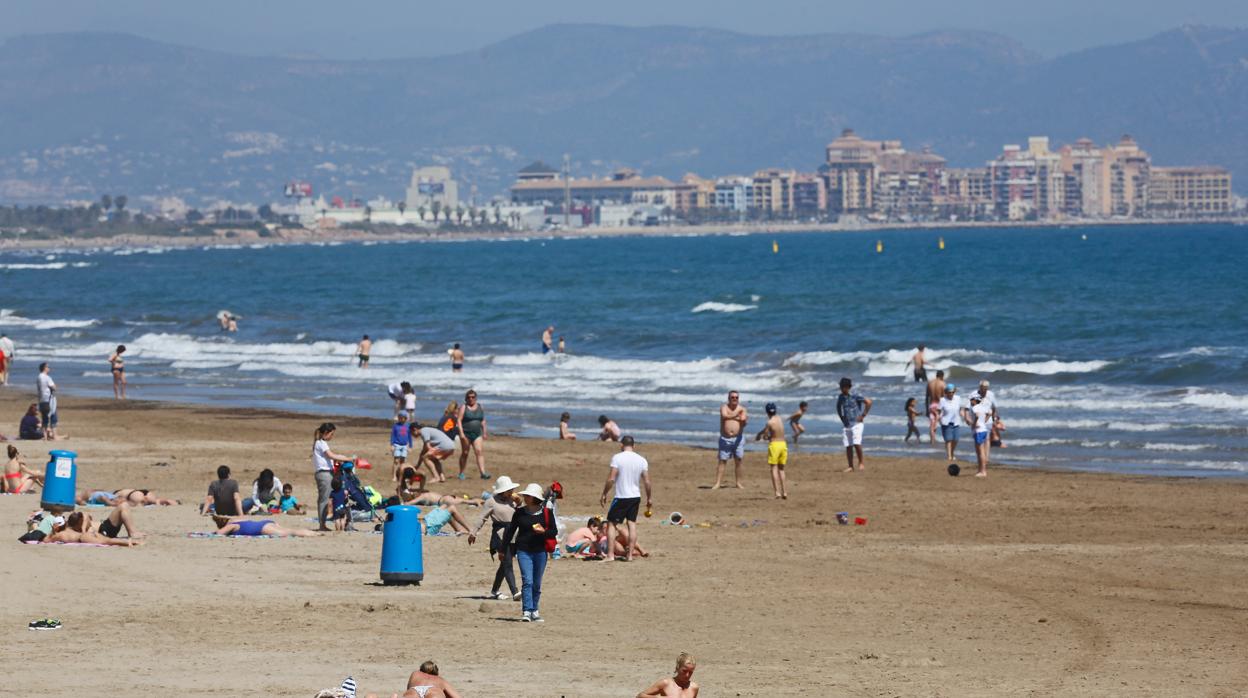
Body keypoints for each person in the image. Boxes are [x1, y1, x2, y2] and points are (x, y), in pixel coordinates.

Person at [500, 483, 557, 621]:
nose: (525, 497)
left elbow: (553, 532)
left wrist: (543, 532)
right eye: (525, 495)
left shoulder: (546, 513)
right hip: (523, 551)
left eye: (528, 496)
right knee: (528, 581)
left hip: (540, 552)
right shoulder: (519, 512)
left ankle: (535, 610)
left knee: (537, 583)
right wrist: (502, 549)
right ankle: (527, 611)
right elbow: (510, 532)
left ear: (535, 498)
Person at [599, 435, 652, 562]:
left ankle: (610, 555)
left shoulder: (617, 458)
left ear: (622, 445)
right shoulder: (642, 460)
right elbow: (647, 482)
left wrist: (604, 493)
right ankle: (629, 556)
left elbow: (611, 479)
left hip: (622, 496)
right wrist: (649, 498)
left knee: (611, 523)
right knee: (631, 524)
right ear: (633, 446)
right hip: (635, 496)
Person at [468, 475, 520, 600]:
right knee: (507, 563)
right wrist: (473, 532)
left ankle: (495, 590)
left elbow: (517, 516)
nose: (512, 491)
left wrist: (519, 504)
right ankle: (515, 592)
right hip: (500, 535)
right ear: (503, 491)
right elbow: (482, 518)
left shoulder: (513, 501)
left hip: (513, 534)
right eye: (509, 489)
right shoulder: (491, 501)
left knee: (504, 565)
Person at [313, 422, 356, 531]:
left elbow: (330, 457)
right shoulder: (320, 443)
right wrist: (348, 459)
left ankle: (330, 521)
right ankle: (322, 525)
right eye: (331, 434)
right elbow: (330, 455)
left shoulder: (321, 443)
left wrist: (343, 458)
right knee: (324, 499)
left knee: (331, 497)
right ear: (326, 433)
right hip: (324, 474)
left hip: (327, 473)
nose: (332, 437)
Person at [836, 378, 872, 473]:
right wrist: (842, 418)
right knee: (848, 445)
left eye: (843, 387)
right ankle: (850, 466)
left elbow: (869, 402)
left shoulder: (855, 395)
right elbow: (838, 407)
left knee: (856, 443)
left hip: (857, 423)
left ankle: (861, 463)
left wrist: (863, 415)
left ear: (848, 387)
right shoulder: (841, 397)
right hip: (847, 424)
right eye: (841, 387)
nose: (841, 389)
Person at [46, 511, 143, 546]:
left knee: (106, 541)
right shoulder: (68, 528)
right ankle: (129, 541)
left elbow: (46, 540)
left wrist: (52, 532)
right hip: (87, 535)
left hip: (83, 537)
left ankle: (128, 542)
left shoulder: (61, 534)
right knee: (107, 540)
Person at [714, 391, 747, 489]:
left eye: (736, 397)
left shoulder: (742, 409)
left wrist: (742, 420)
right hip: (725, 438)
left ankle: (738, 483)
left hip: (738, 439)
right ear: (729, 398)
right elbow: (725, 416)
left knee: (738, 461)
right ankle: (718, 483)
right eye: (732, 397)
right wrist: (736, 415)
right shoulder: (724, 407)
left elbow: (743, 420)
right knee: (722, 461)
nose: (734, 399)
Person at [455, 389, 490, 480]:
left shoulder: (480, 407)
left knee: (479, 451)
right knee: (465, 453)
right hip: (466, 434)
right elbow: (459, 420)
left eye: (473, 397)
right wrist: (461, 433)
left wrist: (485, 432)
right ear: (466, 398)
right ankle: (461, 473)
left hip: (477, 433)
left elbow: (482, 420)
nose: (471, 399)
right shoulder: (464, 407)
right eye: (469, 397)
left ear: (476, 398)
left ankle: (483, 473)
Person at [755, 403, 787, 499]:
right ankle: (784, 492)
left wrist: (762, 436)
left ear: (766, 412)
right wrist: (760, 433)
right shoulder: (779, 418)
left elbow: (765, 436)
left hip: (775, 445)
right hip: (783, 444)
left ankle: (777, 492)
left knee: (774, 468)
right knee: (781, 469)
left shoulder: (769, 422)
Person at [938, 384, 969, 465]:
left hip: (956, 421)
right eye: (949, 392)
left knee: (956, 439)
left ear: (954, 392)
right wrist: (938, 419)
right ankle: (949, 456)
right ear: (946, 392)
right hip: (946, 422)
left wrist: (965, 418)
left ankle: (952, 453)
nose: (951, 394)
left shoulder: (958, 398)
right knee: (948, 440)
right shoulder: (942, 400)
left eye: (952, 392)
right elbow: (939, 412)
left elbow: (961, 410)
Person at [215, 517, 318, 537]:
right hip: (266, 522)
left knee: (290, 532)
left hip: (262, 528)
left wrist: (216, 531)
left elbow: (220, 533)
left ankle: (313, 535)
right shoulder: (237, 520)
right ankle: (314, 533)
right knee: (289, 530)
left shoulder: (231, 525)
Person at [975, 380, 1000, 460]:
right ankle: (981, 456)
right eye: (983, 388)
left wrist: (995, 419)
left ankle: (986, 457)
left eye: (986, 388)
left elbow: (994, 407)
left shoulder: (991, 394)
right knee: (979, 439)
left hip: (988, 420)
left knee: (987, 438)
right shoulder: (975, 395)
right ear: (980, 387)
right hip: (978, 421)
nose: (985, 390)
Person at [969, 395, 993, 477]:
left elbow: (976, 415)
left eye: (971, 399)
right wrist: (984, 421)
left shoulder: (975, 408)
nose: (970, 401)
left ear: (975, 400)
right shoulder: (983, 407)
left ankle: (983, 471)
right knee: (980, 452)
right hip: (984, 430)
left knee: (980, 452)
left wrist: (974, 424)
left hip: (978, 431)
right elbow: (990, 412)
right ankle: (980, 470)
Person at [36, 362, 58, 441]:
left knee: (44, 419)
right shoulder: (47, 377)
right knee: (53, 417)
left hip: (42, 400)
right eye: (48, 367)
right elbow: (54, 387)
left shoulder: (39, 377)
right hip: (49, 400)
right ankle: (54, 436)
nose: (49, 368)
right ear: (44, 368)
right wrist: (54, 387)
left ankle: (45, 436)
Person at [925, 370, 946, 445]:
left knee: (932, 425)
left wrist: (927, 409)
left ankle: (932, 442)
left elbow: (927, 397)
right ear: (942, 376)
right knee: (944, 424)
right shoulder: (942, 384)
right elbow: (944, 399)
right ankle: (946, 441)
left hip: (931, 406)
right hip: (939, 406)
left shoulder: (930, 383)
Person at [391, 413, 413, 478]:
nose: (401, 419)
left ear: (406, 418)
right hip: (397, 444)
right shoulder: (395, 426)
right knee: (396, 460)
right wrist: (392, 445)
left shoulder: (408, 426)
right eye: (400, 418)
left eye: (403, 418)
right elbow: (393, 436)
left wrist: (410, 446)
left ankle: (401, 474)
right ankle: (394, 475)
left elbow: (409, 437)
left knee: (403, 461)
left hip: (405, 445)